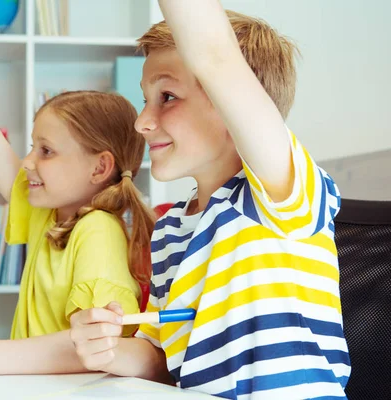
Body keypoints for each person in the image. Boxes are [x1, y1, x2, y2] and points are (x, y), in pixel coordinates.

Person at [69, 1, 351, 398]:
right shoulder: (169, 229)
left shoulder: (282, 193)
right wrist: (108, 349)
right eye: (146, 99)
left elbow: (216, 59)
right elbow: (162, 355)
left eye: (167, 96)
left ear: (230, 105)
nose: (141, 121)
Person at [0, 0, 155, 378]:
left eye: (47, 151)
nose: (27, 162)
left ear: (99, 167)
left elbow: (96, 350)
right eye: (32, 147)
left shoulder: (98, 232)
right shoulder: (51, 215)